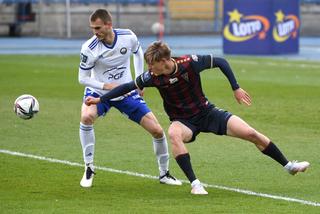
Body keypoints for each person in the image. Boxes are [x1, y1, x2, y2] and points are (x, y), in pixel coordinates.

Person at [85, 41, 310, 195]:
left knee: (251, 133)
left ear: (164, 61)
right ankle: (195, 183)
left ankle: (289, 165)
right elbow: (126, 86)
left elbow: (220, 61)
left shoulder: (189, 63)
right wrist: (100, 101)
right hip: (184, 122)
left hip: (206, 112)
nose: (149, 69)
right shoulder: (152, 77)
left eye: (151, 65)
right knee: (173, 133)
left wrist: (236, 88)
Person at [78, 10, 181, 188]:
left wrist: (139, 81)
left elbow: (138, 53)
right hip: (99, 93)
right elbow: (82, 78)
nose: (95, 32)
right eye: (92, 28)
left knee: (157, 130)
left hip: (126, 91)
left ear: (109, 25)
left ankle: (164, 174)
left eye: (98, 28)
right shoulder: (89, 48)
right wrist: (107, 86)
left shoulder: (128, 36)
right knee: (86, 117)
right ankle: (88, 167)